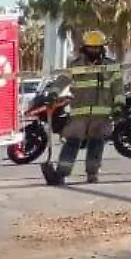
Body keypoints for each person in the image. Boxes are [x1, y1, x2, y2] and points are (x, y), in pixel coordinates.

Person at [44, 31, 124, 186]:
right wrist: (53, 93)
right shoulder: (76, 65)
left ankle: (92, 174)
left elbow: (118, 88)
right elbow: (63, 79)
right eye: (91, 48)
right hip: (79, 114)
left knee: (96, 144)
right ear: (84, 48)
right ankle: (61, 174)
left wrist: (119, 105)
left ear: (102, 48)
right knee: (71, 143)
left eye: (97, 48)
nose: (94, 51)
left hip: (101, 114)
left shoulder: (111, 66)